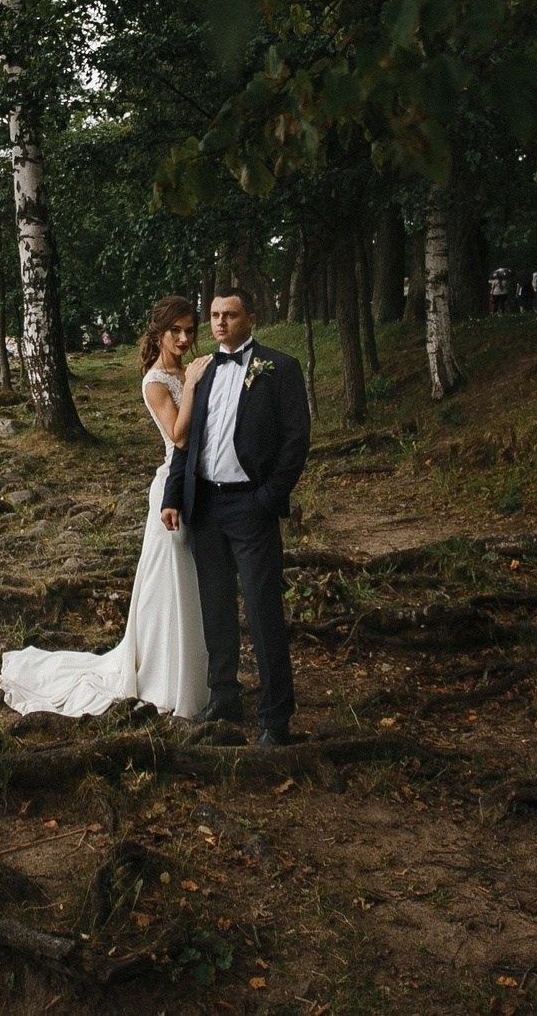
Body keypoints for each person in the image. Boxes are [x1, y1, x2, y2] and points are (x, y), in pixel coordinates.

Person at [0, 297, 210, 719]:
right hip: (171, 488)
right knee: (166, 587)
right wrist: (190, 386)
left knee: (191, 584)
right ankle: (162, 679)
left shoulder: (188, 370)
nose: (185, 338)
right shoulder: (156, 382)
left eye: (190, 330)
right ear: (159, 333)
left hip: (199, 486)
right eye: (177, 331)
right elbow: (179, 435)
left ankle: (198, 677)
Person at [159, 288, 310, 745]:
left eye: (230, 314)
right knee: (216, 607)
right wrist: (173, 494)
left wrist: (267, 499)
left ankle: (275, 719)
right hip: (204, 503)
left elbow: (295, 442)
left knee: (263, 609)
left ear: (252, 318)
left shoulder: (279, 368)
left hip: (250, 505)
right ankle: (224, 696)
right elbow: (187, 441)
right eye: (215, 315)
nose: (220, 323)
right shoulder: (199, 371)